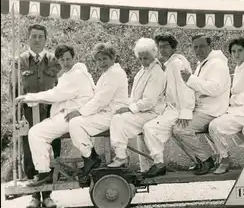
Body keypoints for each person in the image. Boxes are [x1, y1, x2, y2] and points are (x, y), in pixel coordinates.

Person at [15, 45, 95, 196]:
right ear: (58, 60)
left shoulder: (76, 75)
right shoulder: (71, 73)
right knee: (39, 132)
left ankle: (44, 172)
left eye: (68, 59)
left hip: (74, 115)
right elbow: (59, 95)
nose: (66, 62)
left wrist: (29, 97)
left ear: (74, 58)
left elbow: (56, 95)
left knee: (36, 133)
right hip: (72, 114)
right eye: (62, 60)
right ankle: (45, 170)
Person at [11, 24, 62, 208]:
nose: (37, 40)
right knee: (29, 150)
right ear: (28, 39)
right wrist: (17, 117)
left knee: (51, 149)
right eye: (34, 36)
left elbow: (61, 88)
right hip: (28, 114)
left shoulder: (54, 61)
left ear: (46, 40)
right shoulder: (20, 62)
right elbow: (14, 90)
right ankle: (34, 195)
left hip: (50, 112)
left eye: (41, 37)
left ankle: (48, 194)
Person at [65, 43, 129, 177]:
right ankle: (90, 157)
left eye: (105, 59)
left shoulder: (114, 73)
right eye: (99, 60)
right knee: (75, 122)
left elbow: (101, 100)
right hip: (106, 113)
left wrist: (80, 112)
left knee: (76, 123)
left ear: (113, 58)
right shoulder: (108, 73)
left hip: (112, 114)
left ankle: (90, 158)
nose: (102, 63)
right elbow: (97, 97)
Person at [173, 34, 231, 175]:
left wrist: (190, 79)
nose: (198, 50)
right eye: (195, 47)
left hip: (213, 111)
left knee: (180, 129)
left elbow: (215, 88)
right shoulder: (203, 63)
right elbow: (200, 88)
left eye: (202, 46)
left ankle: (206, 160)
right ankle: (200, 160)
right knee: (174, 126)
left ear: (210, 46)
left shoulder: (217, 64)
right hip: (202, 109)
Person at [141, 33, 196, 178]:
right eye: (160, 47)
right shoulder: (168, 64)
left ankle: (159, 164)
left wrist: (185, 112)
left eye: (166, 47)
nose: (163, 50)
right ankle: (157, 163)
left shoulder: (177, 63)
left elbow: (186, 88)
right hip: (169, 108)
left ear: (173, 47)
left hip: (178, 110)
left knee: (150, 128)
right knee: (148, 126)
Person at [107, 38, 166, 168]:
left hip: (152, 113)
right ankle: (124, 156)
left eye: (146, 58)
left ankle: (121, 157)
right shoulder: (142, 71)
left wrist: (130, 108)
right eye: (140, 58)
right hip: (142, 110)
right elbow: (135, 96)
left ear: (153, 55)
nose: (143, 62)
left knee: (119, 120)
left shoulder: (157, 73)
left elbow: (149, 101)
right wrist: (124, 105)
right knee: (115, 115)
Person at [209, 37, 244, 174]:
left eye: (240, 51)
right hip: (237, 109)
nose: (236, 54)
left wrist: (232, 100)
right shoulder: (239, 67)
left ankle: (225, 159)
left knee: (214, 126)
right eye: (233, 51)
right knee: (211, 121)